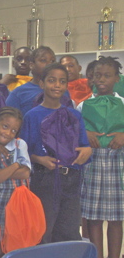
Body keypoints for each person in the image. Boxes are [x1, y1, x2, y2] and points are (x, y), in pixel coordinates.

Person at [20, 63, 92, 245]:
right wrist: (39, 159)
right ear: (42, 84)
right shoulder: (31, 116)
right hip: (44, 179)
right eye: (52, 81)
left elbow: (84, 146)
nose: (57, 85)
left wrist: (87, 150)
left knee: (69, 229)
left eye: (62, 81)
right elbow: (22, 151)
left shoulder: (74, 115)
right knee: (44, 229)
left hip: (71, 179)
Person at [76, 57, 124, 258]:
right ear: (91, 78)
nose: (101, 79)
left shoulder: (123, 102)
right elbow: (74, 132)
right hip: (92, 162)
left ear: (117, 78)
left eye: (107, 75)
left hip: (117, 161)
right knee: (93, 215)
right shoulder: (82, 105)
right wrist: (85, 133)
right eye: (97, 75)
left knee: (116, 216)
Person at [0, 107, 31, 258]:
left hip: (19, 207)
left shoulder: (20, 144)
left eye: (13, 130)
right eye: (5, 127)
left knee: (15, 249)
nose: (8, 133)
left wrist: (3, 172)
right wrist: (16, 164)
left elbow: (25, 173)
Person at [6, 46, 66, 116]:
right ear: (31, 65)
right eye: (43, 60)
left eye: (52, 61)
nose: (49, 64)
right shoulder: (18, 93)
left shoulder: (61, 90)